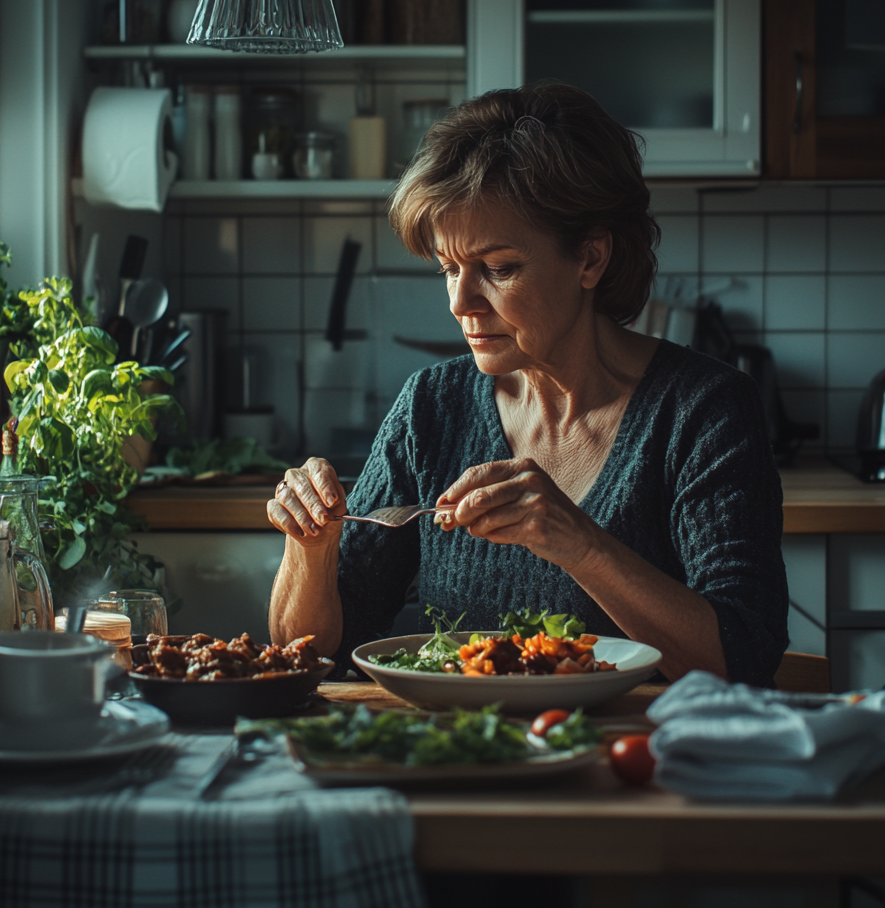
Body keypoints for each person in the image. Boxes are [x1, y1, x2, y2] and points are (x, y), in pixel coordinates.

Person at [267, 82, 788, 687]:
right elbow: (312, 656)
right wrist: (311, 548)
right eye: (448, 269)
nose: (462, 302)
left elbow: (743, 655)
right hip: (462, 758)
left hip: (635, 767)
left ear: (590, 259)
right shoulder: (431, 408)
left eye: (498, 269)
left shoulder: (703, 411)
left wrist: (580, 544)